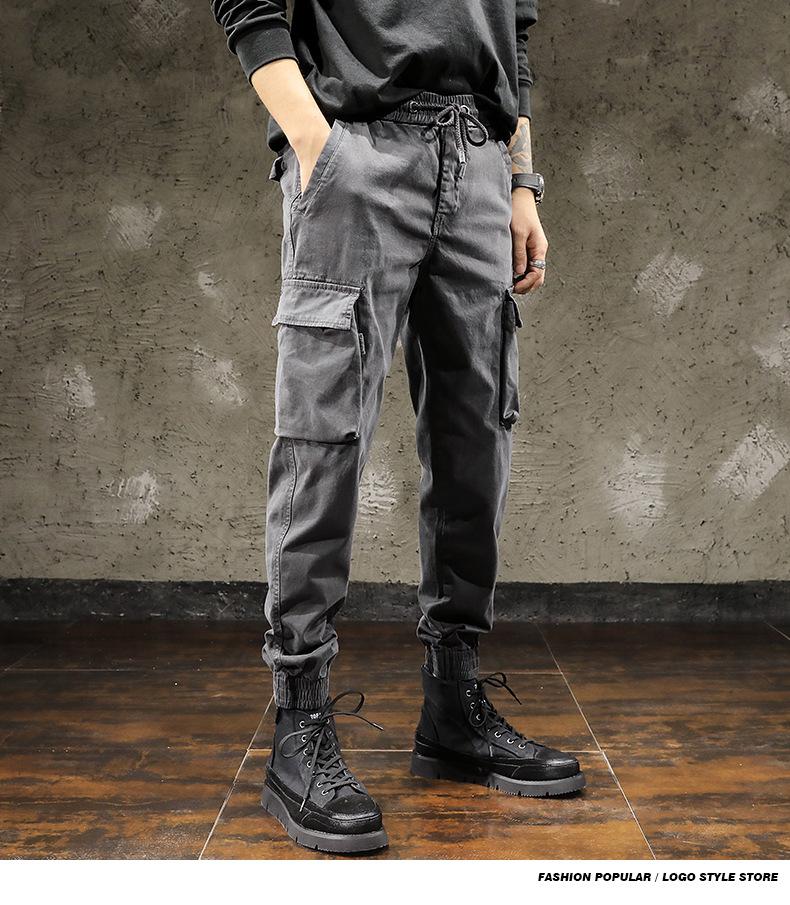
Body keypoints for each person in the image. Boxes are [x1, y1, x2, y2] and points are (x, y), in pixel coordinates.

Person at [210, 0, 585, 854]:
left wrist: (519, 179)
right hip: (359, 149)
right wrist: (314, 142)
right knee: (324, 437)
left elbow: (512, 34)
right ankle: (299, 721)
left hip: (481, 160)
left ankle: (454, 707)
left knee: (476, 438)